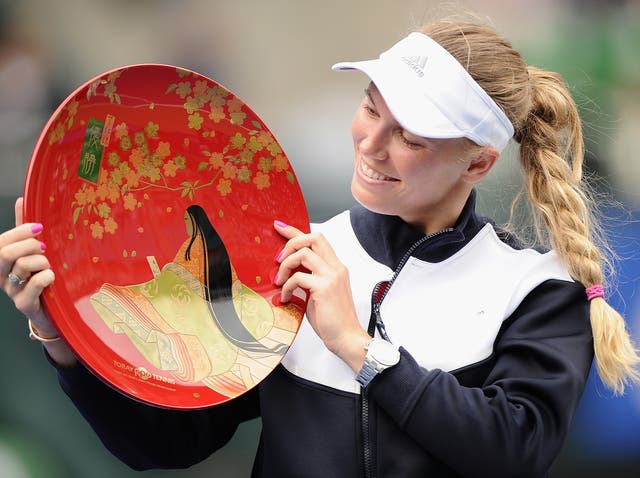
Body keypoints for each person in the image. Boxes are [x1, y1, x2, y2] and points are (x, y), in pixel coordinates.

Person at [1, 19, 638, 478]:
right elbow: (167, 447)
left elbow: (514, 451)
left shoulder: (535, 288)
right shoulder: (285, 254)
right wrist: (60, 336)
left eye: (411, 137)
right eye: (370, 109)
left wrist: (359, 349)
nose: (371, 143)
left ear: (478, 163)